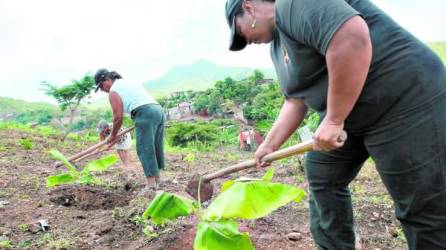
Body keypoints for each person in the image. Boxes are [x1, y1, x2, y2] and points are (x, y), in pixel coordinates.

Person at [225, 0, 446, 249]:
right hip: (351, 115)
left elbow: (350, 36)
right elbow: (295, 100)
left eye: (239, 30)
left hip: (403, 98)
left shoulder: (293, 4)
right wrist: (269, 145)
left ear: (249, 7)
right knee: (323, 177)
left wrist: (333, 120)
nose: (244, 40)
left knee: (421, 203)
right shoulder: (279, 46)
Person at [94, 69, 165, 192]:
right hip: (157, 110)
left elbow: (118, 117)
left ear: (107, 80)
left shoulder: (113, 91)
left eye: (101, 86)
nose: (102, 90)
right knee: (154, 146)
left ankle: (151, 185)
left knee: (144, 148)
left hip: (144, 112)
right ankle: (157, 179)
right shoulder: (126, 82)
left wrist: (113, 135)